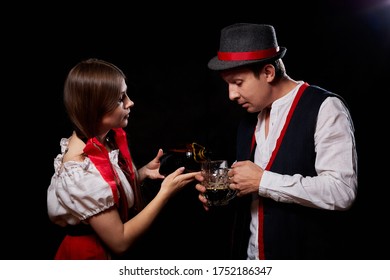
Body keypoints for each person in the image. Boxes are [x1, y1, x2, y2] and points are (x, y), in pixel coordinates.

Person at [195, 23, 358, 260]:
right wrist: (227, 194)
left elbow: (341, 192)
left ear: (268, 72)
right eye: (227, 84)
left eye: (238, 83)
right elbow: (252, 195)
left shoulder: (324, 108)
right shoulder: (248, 120)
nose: (231, 95)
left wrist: (263, 181)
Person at [47, 58, 198, 260]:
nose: (130, 102)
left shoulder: (99, 141)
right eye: (120, 99)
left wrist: (141, 173)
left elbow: (108, 188)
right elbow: (120, 242)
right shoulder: (79, 167)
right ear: (96, 108)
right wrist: (165, 193)